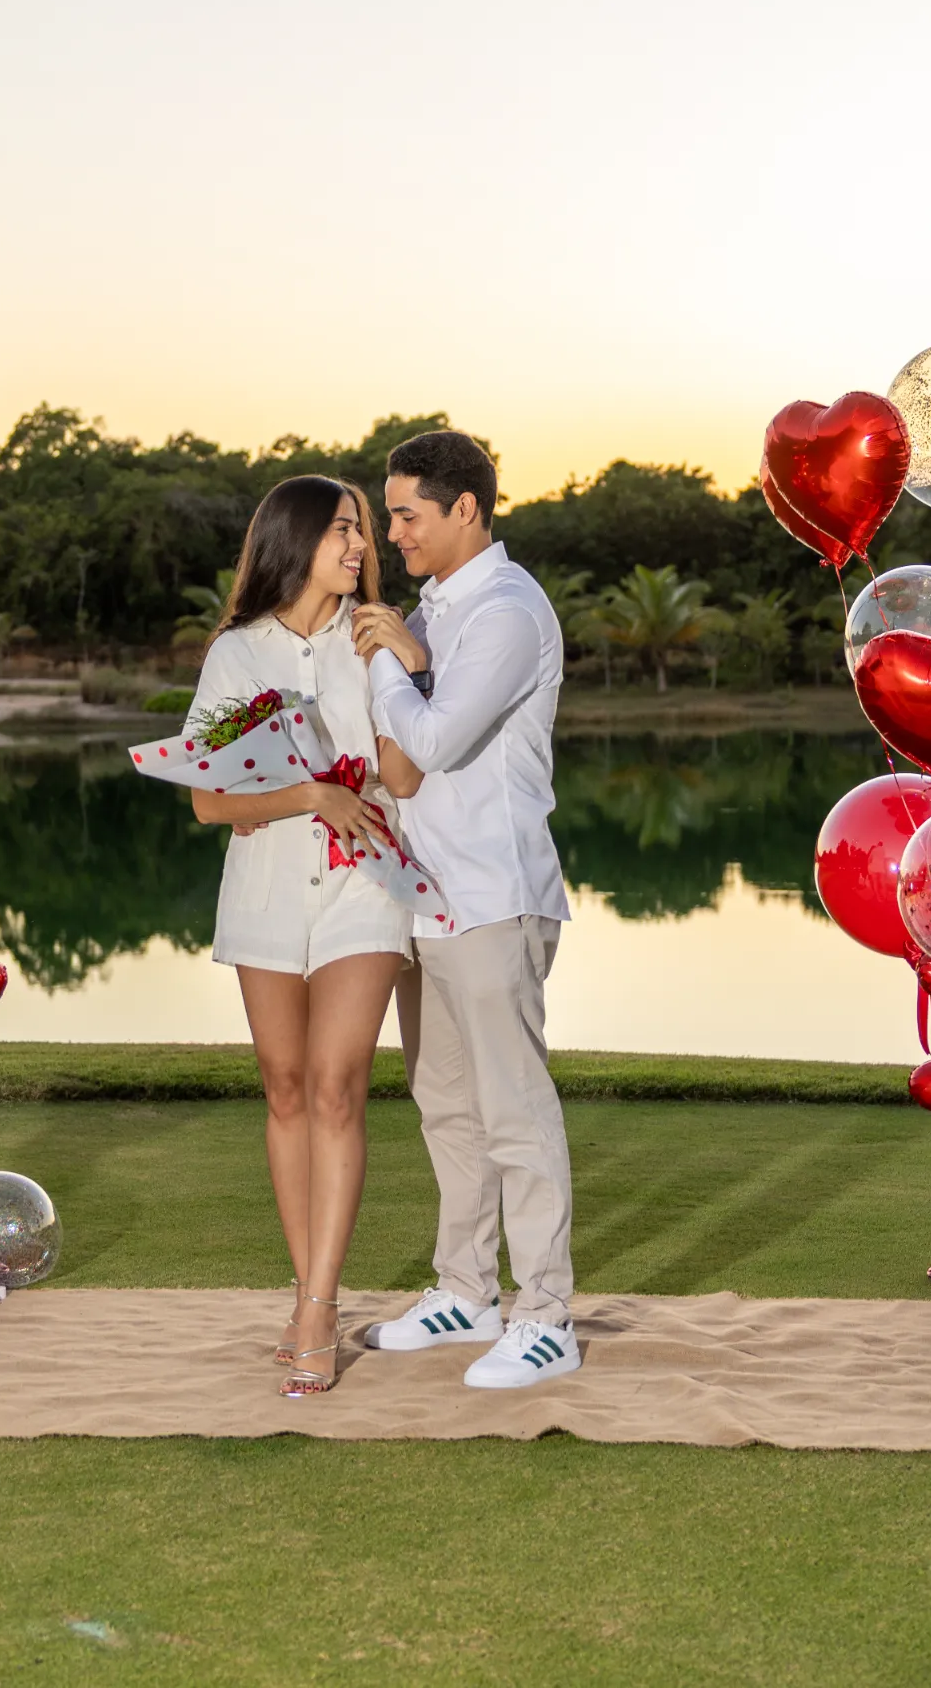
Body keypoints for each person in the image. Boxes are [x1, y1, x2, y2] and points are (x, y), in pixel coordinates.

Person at [183, 475, 424, 1397]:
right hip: (268, 889)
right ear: (294, 541)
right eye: (342, 531)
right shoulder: (236, 655)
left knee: (335, 1086)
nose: (360, 545)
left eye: (362, 530)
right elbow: (210, 798)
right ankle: (306, 1290)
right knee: (284, 1088)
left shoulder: (377, 643)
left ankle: (318, 1310)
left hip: (368, 883)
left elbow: (402, 773)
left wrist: (413, 667)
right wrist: (309, 795)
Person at [351, 429, 580, 1389]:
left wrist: (391, 660)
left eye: (406, 513)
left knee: (513, 1110)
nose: (391, 532)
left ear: (465, 510)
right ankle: (466, 1288)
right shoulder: (434, 609)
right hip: (429, 895)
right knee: (446, 1102)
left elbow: (435, 742)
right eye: (390, 513)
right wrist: (401, 647)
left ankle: (547, 1314)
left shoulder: (505, 611)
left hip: (495, 893)